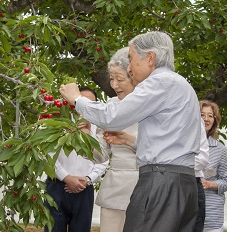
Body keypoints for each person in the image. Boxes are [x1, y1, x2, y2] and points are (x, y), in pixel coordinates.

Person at [60, 31, 201, 232]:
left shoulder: (159, 82)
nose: (131, 68)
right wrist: (130, 141)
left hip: (160, 181)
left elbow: (114, 116)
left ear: (150, 58)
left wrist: (77, 99)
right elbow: (169, 141)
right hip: (182, 181)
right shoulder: (180, 85)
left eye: (132, 59)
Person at [44, 87, 109, 232]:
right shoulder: (58, 123)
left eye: (90, 102)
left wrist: (88, 179)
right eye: (81, 101)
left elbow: (104, 158)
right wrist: (66, 177)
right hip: (57, 186)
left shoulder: (100, 127)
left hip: (84, 188)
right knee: (53, 228)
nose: (85, 106)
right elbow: (47, 154)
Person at [95, 47, 139, 232]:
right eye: (111, 79)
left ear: (135, 76)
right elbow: (100, 155)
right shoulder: (109, 107)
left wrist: (128, 139)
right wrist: (83, 138)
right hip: (115, 185)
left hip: (145, 183)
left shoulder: (155, 105)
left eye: (119, 79)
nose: (114, 85)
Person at [199, 100, 227, 232]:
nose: (206, 119)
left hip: (211, 216)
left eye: (210, 116)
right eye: (202, 115)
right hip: (187, 212)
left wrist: (209, 184)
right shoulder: (185, 146)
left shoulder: (220, 150)